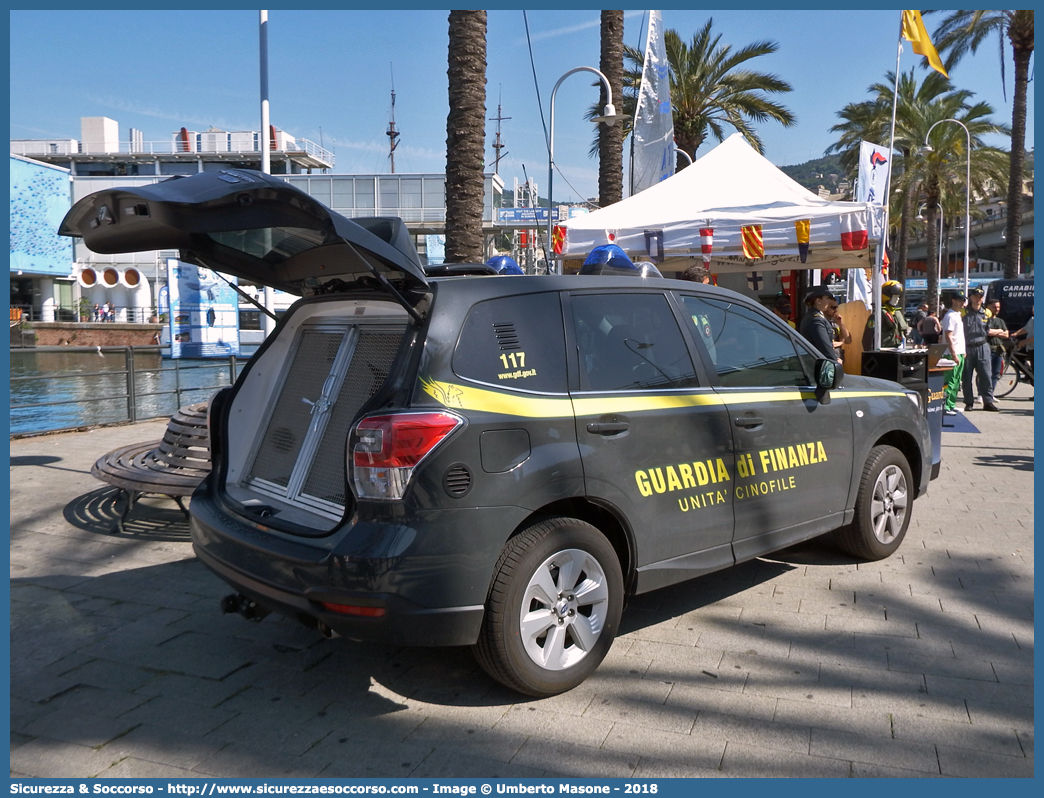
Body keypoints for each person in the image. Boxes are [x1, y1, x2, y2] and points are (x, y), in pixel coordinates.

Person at [960, 287, 999, 412]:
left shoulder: (987, 312)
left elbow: (987, 329)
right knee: (966, 377)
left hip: (982, 346)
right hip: (967, 347)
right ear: (971, 297)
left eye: (981, 297)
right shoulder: (963, 312)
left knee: (986, 375)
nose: (978, 299)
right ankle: (969, 402)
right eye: (976, 296)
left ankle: (988, 402)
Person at [862, 280, 910, 349]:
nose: (897, 299)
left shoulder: (896, 313)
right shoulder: (877, 316)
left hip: (897, 349)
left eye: (898, 297)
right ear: (886, 296)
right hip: (882, 351)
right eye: (895, 297)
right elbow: (867, 338)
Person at [941, 291, 967, 415]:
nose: (963, 303)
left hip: (959, 351)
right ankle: (945, 405)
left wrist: (963, 351)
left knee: (957, 380)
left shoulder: (957, 315)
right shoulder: (950, 316)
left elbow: (959, 336)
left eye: (963, 300)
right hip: (951, 353)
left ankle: (951, 403)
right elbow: (948, 336)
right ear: (953, 301)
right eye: (960, 300)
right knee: (949, 380)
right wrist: (953, 353)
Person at [798, 285, 839, 361]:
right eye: (827, 298)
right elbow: (825, 347)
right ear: (818, 301)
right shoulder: (816, 320)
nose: (829, 301)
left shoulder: (815, 317)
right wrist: (835, 361)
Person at [985, 298, 1010, 390]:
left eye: (998, 307)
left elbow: (1006, 334)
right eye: (994, 307)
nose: (997, 309)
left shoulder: (1000, 321)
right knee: (985, 373)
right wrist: (1000, 331)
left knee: (996, 373)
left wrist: (995, 332)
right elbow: (986, 332)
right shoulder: (985, 319)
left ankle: (991, 393)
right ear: (988, 307)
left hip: (998, 350)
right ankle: (981, 394)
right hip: (987, 349)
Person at [824, 296, 852, 360]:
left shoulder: (835, 323)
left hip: (838, 358)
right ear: (826, 307)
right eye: (833, 308)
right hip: (828, 359)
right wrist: (841, 343)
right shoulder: (821, 323)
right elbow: (827, 344)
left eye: (836, 307)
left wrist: (840, 324)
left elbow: (848, 340)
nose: (836, 310)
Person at [1011, 308, 1034, 382]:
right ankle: (1029, 375)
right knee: (1017, 356)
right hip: (1030, 347)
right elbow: (1026, 328)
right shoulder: (1032, 319)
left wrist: (1024, 342)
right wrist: (1015, 334)